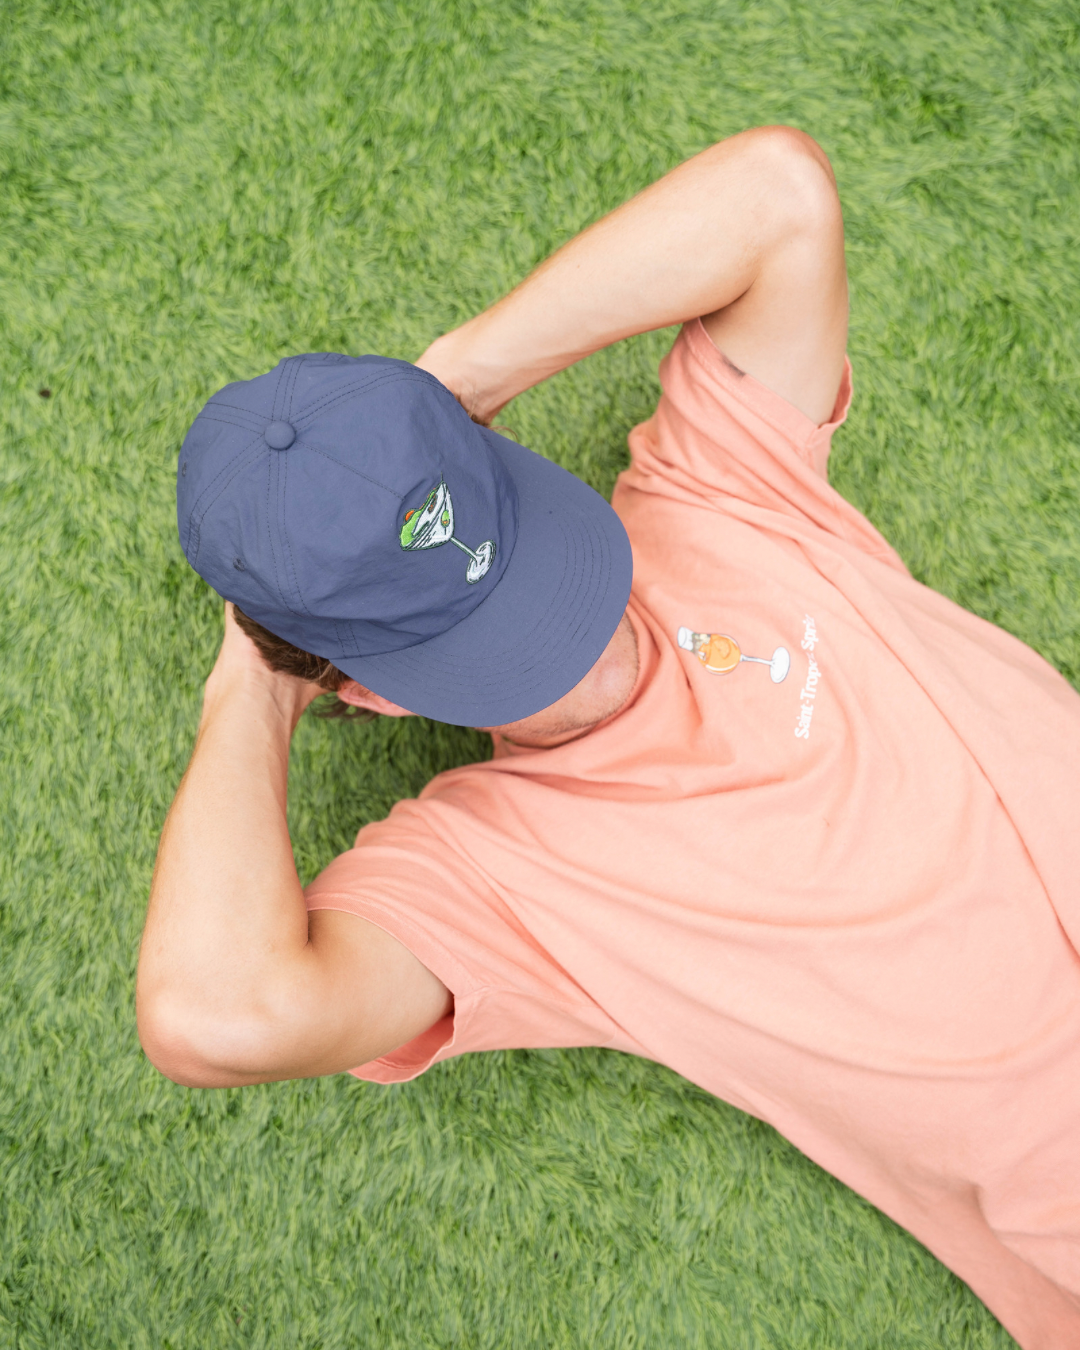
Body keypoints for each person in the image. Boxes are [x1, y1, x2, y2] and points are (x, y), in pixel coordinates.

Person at [137, 127, 1080, 1347]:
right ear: (365, 695)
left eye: (530, 563)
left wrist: (451, 382)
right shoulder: (497, 876)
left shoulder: (713, 489)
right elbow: (218, 1017)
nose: (589, 648)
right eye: (492, 639)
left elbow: (778, 194)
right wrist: (256, 677)